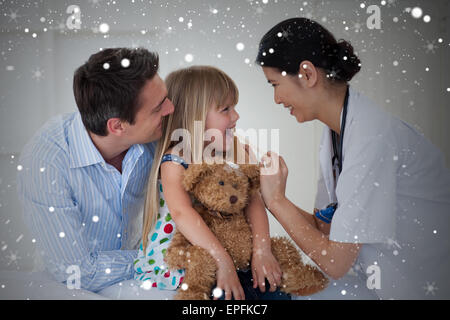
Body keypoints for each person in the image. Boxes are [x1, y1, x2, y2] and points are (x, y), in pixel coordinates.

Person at [255, 18, 450, 299]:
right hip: (379, 282)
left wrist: (277, 201)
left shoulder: (372, 135)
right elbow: (326, 227)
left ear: (307, 74)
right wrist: (269, 197)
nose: (276, 99)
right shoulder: (336, 133)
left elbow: (335, 262)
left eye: (275, 84)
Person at [16, 48, 175, 292]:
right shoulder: (46, 162)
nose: (170, 108)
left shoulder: (155, 137)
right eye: (158, 108)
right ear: (117, 126)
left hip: (140, 277)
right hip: (70, 288)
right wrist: (163, 259)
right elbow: (79, 272)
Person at [134, 66, 290, 300]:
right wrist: (222, 262)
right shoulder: (176, 159)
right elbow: (182, 212)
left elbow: (253, 202)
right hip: (190, 252)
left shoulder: (236, 150)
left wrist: (261, 250)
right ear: (195, 115)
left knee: (273, 290)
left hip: (229, 249)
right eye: (225, 109)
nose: (235, 116)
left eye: (234, 107)